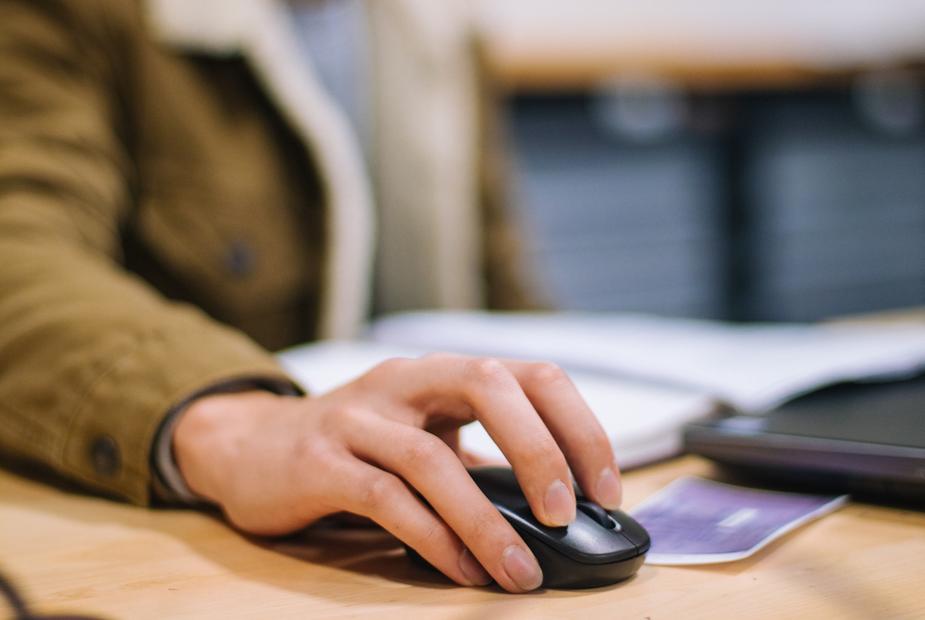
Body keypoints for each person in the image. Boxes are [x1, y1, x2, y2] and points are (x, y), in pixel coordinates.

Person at [0, 0, 623, 593]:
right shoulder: (79, 16)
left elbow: (499, 284)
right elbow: (19, 256)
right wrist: (238, 428)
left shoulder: (436, 29)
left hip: (426, 515)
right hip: (211, 548)